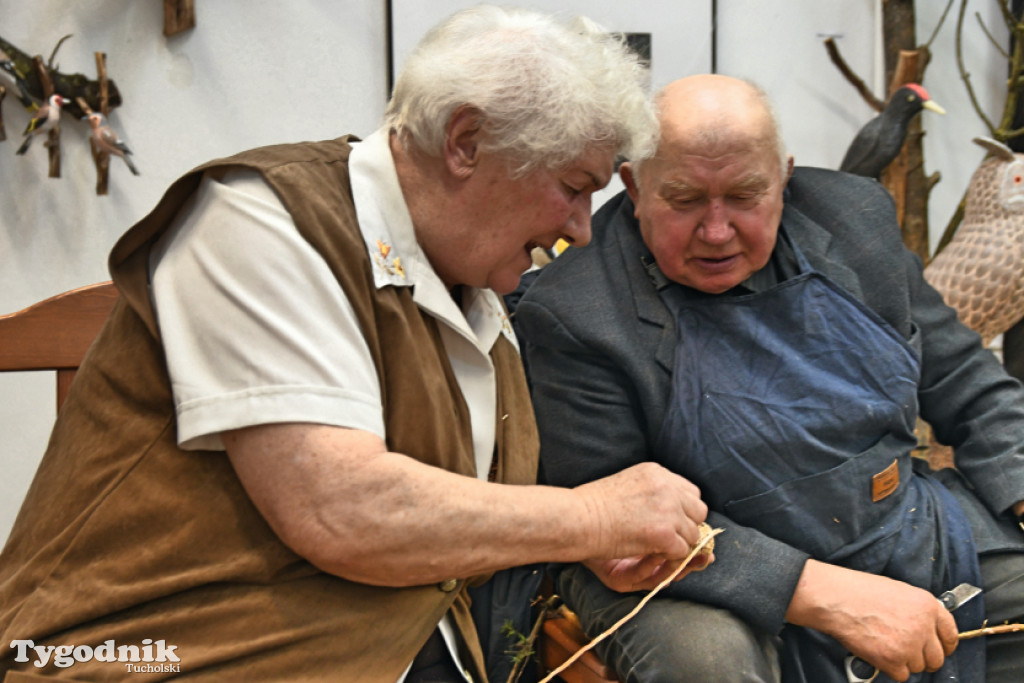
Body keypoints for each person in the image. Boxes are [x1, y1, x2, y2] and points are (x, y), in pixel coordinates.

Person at [0, 8, 713, 682]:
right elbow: (342, 509)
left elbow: (452, 527)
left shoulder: (474, 285)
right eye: (571, 187)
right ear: (465, 142)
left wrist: (587, 546)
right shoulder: (257, 219)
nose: (581, 228)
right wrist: (589, 517)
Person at [517, 74, 1024, 683]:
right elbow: (616, 530)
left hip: (894, 519)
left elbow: (968, 382)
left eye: (745, 194)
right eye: (683, 199)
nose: (716, 231)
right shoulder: (575, 310)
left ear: (783, 176)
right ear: (633, 184)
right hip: (694, 563)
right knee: (706, 663)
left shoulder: (853, 220)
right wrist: (827, 594)